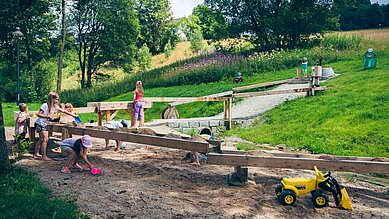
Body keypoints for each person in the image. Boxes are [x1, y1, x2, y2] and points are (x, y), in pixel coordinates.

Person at [34, 92, 76, 160]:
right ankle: (44, 156)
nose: (57, 101)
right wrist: (47, 116)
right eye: (55, 99)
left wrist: (72, 114)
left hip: (45, 123)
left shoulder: (55, 106)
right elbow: (38, 114)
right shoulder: (45, 105)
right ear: (51, 99)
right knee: (45, 139)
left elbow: (63, 111)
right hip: (40, 123)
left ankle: (36, 154)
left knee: (41, 139)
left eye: (58, 99)